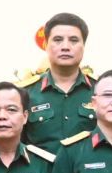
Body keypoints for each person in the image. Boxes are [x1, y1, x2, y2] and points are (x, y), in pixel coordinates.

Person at [22, 13, 96, 151]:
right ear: (46, 45)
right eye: (57, 40)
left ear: (84, 45)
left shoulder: (101, 91)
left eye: (74, 40)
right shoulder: (24, 93)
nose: (65, 47)